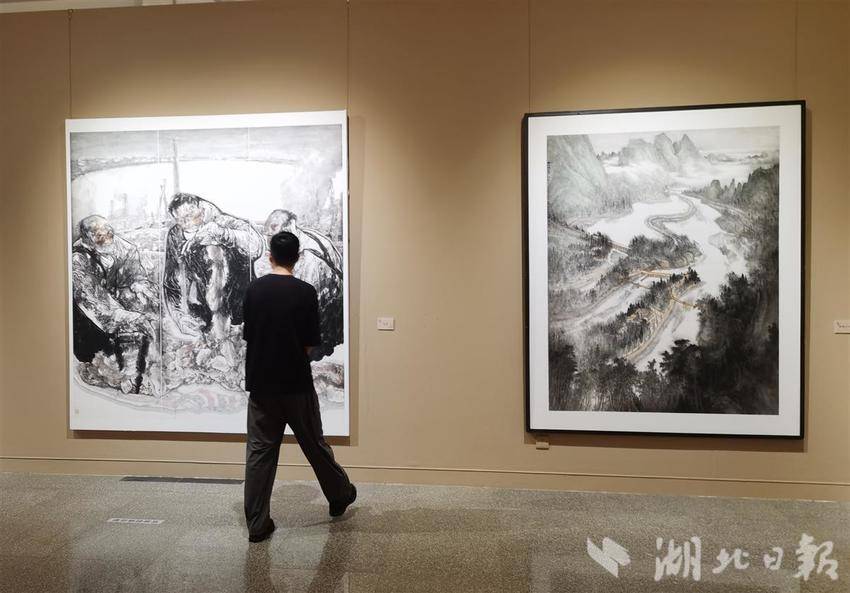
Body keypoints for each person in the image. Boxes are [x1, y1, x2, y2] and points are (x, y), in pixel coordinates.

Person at [241, 230, 356, 543]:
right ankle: (340, 493)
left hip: (262, 384)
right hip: (296, 383)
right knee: (314, 444)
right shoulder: (305, 292)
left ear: (270, 256)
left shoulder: (254, 289)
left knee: (259, 453)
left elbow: (250, 336)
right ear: (298, 257)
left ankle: (257, 524)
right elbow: (309, 344)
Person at [72, 215, 157, 394]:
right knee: (98, 355)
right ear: (87, 239)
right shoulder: (78, 259)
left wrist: (139, 284)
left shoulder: (123, 247)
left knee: (142, 307)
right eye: (98, 235)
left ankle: (141, 369)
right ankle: (121, 374)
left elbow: (136, 274)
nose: (106, 236)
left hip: (118, 306)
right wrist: (132, 318)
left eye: (108, 231)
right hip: (91, 319)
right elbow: (94, 301)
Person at [163, 193, 264, 339]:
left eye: (189, 216)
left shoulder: (225, 223)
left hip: (245, 310)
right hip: (204, 315)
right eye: (181, 220)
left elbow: (256, 247)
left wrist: (221, 233)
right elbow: (172, 282)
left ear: (201, 210)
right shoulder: (176, 235)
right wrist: (180, 317)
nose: (186, 224)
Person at [255, 209, 343, 359]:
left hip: (323, 314)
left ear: (291, 225)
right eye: (268, 232)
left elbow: (312, 301)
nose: (269, 235)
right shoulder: (288, 244)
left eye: (274, 228)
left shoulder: (311, 254)